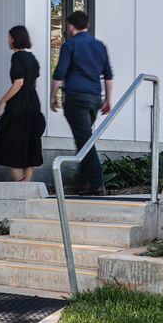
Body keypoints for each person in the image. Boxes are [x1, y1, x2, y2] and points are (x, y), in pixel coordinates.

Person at [50, 10, 114, 196]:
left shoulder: (70, 45)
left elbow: (59, 74)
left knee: (84, 140)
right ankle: (82, 183)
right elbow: (108, 76)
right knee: (84, 138)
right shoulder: (100, 46)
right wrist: (108, 100)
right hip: (94, 98)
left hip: (76, 98)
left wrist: (53, 96)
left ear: (71, 26)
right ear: (87, 25)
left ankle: (97, 183)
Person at [0, 26, 45, 181]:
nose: (8, 40)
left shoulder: (17, 57)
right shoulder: (32, 58)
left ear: (15, 39)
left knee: (8, 141)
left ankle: (20, 182)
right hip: (33, 104)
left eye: (9, 37)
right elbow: (33, 83)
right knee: (29, 142)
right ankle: (27, 182)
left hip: (18, 106)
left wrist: (1, 102)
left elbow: (19, 83)